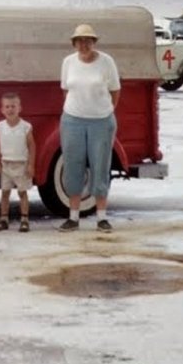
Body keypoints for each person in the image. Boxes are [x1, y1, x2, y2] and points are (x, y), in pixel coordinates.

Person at [57, 23, 121, 232]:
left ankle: (101, 217)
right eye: (80, 41)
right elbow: (66, 90)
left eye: (88, 40)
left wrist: (104, 111)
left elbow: (115, 91)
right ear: (74, 43)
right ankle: (73, 217)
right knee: (72, 165)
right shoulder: (68, 62)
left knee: (100, 165)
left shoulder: (106, 62)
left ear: (94, 42)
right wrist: (76, 111)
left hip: (101, 121)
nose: (84, 45)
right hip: (73, 120)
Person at [0, 92, 35, 232]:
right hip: (6, 165)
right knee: (5, 192)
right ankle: (4, 219)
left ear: (19, 108)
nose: (10, 109)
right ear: (2, 110)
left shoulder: (25, 127)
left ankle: (24, 220)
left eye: (13, 106)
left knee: (22, 193)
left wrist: (31, 165)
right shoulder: (0, 127)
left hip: (21, 165)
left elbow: (32, 146)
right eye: (7, 107)